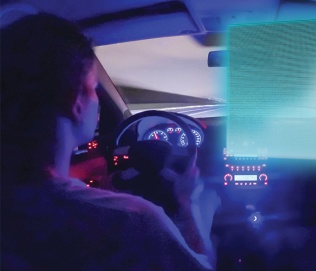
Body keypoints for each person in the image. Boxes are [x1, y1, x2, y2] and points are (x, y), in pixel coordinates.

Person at [1, 13, 217, 270]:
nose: (98, 102)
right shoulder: (133, 221)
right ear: (75, 102)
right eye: (93, 88)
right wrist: (190, 203)